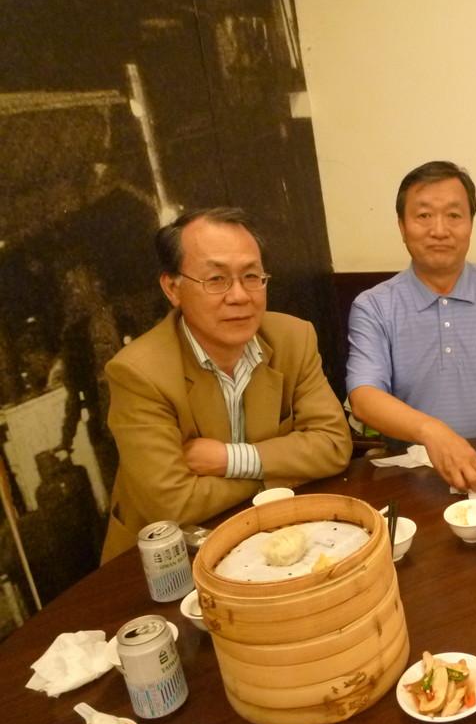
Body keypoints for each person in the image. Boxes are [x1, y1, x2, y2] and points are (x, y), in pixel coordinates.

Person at [100, 207, 352, 561]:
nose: (239, 296)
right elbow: (174, 503)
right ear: (173, 288)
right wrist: (280, 471)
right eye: (216, 279)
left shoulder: (293, 338)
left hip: (269, 535)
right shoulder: (138, 373)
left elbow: (334, 445)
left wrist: (228, 459)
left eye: (251, 276)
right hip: (166, 559)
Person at [346, 161, 476, 491]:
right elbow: (364, 397)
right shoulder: (374, 306)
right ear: (402, 226)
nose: (440, 230)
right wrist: (433, 432)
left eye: (454, 215)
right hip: (414, 476)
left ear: (471, 224)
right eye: (423, 215)